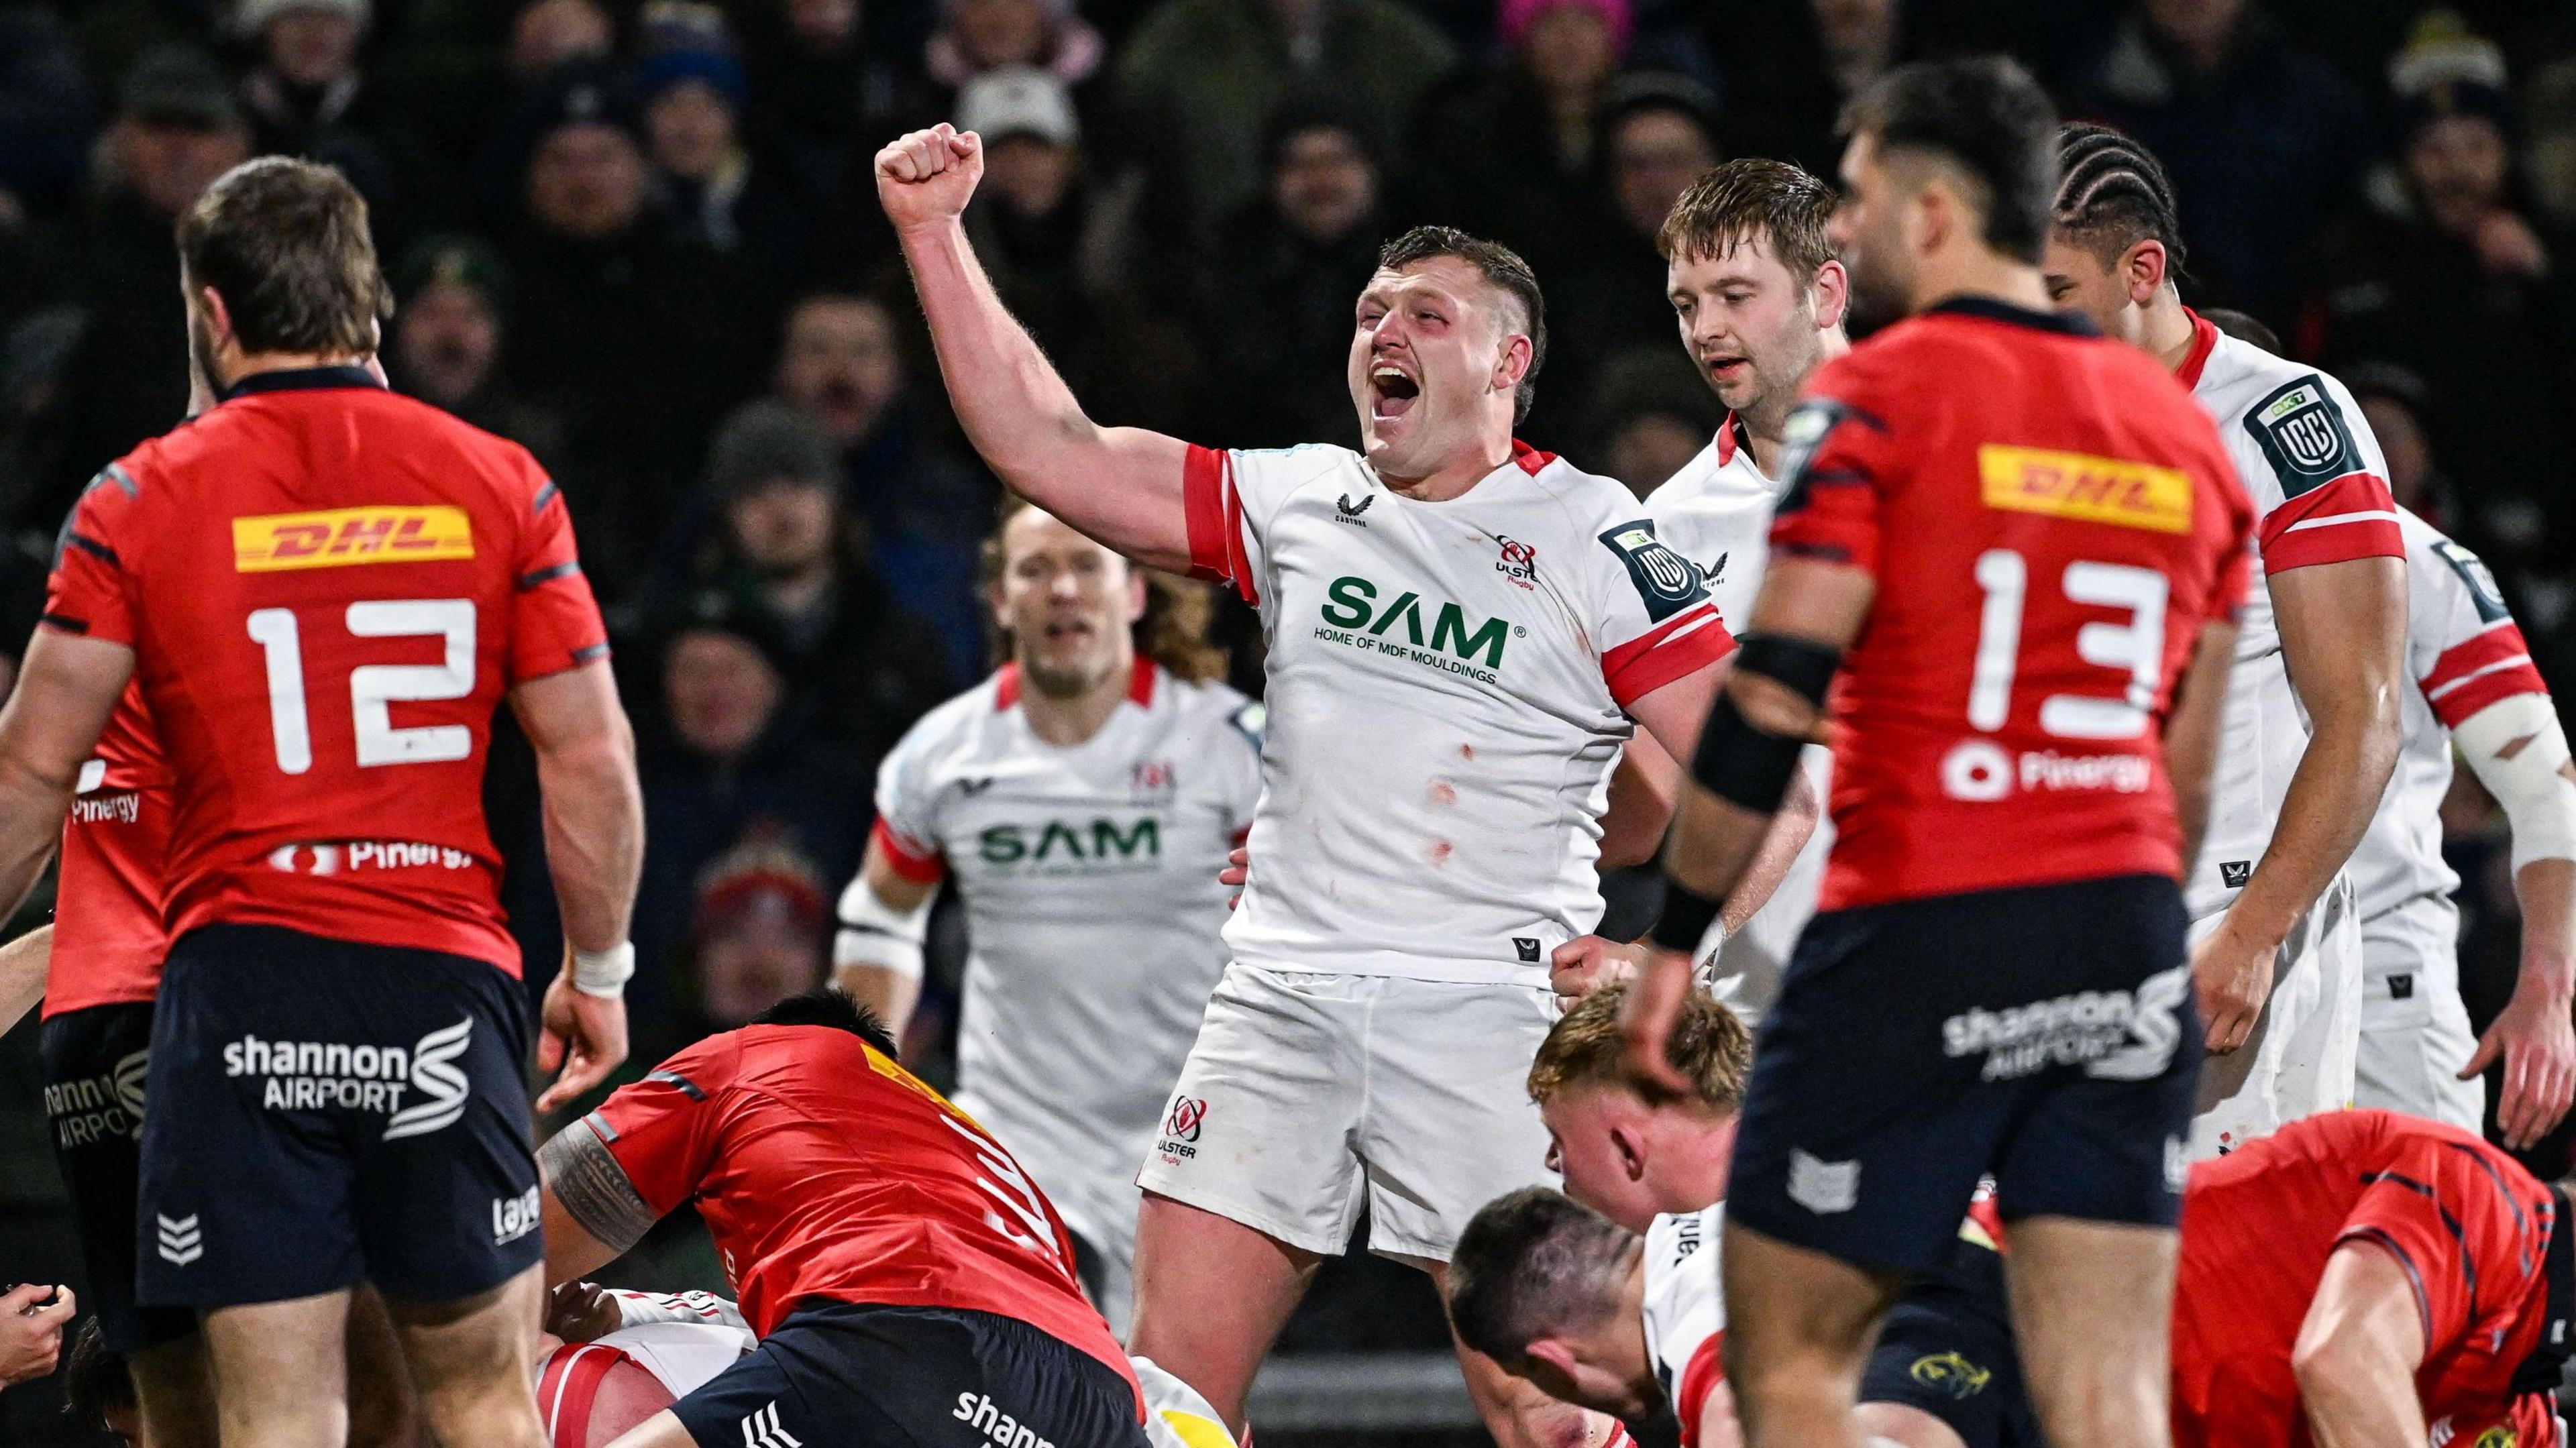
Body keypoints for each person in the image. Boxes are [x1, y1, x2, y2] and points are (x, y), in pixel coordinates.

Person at [877, 121, 1745, 1447]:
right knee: (1160, 1407)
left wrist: (1665, 944)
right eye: (1370, 311)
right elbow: (1050, 448)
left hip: (1481, 1015)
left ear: (1510, 361)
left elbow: (1760, 770)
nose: (1383, 330)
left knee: (1554, 1412)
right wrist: (936, 236)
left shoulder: (1592, 532)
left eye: (1426, 313)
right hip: (1277, 993)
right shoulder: (1301, 499)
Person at [1629, 59, 2253, 1448]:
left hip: (1912, 944)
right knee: (2109, 1397)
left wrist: (1672, 939)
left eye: (1857, 197)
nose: (1849, 227)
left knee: (1788, 1371)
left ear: (1927, 207)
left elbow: (1773, 700)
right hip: (2115, 946)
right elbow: (2189, 758)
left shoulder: (1890, 399)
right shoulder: (2177, 424)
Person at [0, 157, 643, 1446]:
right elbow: (589, 756)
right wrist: (601, 963)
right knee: (479, 1400)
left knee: (276, 1416)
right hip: (438, 975)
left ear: (216, 316)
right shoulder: (502, 479)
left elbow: (30, 766)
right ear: (374, 304)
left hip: (240, 988)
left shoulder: (136, 498)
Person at [2039, 123, 2412, 1158]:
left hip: (2229, 924)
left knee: (2243, 1292)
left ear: (2142, 270)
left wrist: (2256, 932)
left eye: (2057, 295)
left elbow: (2365, 711)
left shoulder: (2281, 418)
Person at [835, 500, 1260, 1331]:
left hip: (1200, 1140)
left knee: (1185, 1403)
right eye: (1035, 569)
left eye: (1085, 565)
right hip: (1015, 1145)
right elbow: (878, 919)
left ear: (1134, 592)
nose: (1062, 588)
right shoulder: (944, 753)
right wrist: (861, 1088)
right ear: (999, 599)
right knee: (1032, 1390)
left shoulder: (1232, 745)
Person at [535, 988, 1150, 1448]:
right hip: (1104, 1409)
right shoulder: (983, 1157)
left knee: (531, 1378)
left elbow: (515, 1240)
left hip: (902, 1348)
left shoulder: (759, 1053)